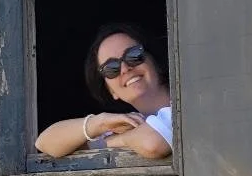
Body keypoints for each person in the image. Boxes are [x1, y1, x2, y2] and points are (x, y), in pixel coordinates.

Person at [34, 22, 172, 162]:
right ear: (111, 90)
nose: (125, 69)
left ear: (155, 60)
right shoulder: (131, 123)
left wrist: (115, 140)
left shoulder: (183, 103)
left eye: (133, 55)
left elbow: (152, 143)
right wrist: (100, 122)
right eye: (111, 68)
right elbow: (44, 143)